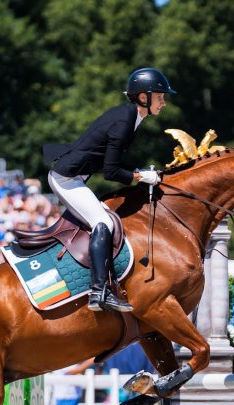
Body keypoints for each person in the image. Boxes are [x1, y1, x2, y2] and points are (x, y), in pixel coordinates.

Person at [42, 67, 174, 313]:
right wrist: (139, 175)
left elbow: (109, 165)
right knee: (103, 222)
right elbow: (111, 172)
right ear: (144, 97)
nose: (164, 102)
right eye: (160, 96)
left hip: (76, 176)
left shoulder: (131, 118)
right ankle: (98, 292)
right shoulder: (125, 121)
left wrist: (138, 172)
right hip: (65, 178)